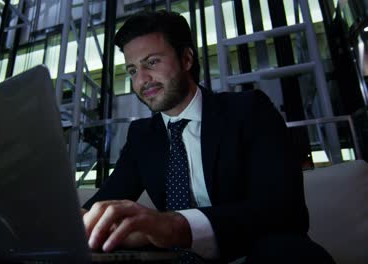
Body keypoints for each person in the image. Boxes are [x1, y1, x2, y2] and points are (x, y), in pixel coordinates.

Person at [81, 10, 335, 264]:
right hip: (175, 260)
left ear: (187, 58)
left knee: (290, 253)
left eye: (152, 62)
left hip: (252, 255)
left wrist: (177, 226)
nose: (142, 80)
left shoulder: (248, 110)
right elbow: (100, 204)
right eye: (132, 70)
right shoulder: (142, 136)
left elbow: (285, 211)